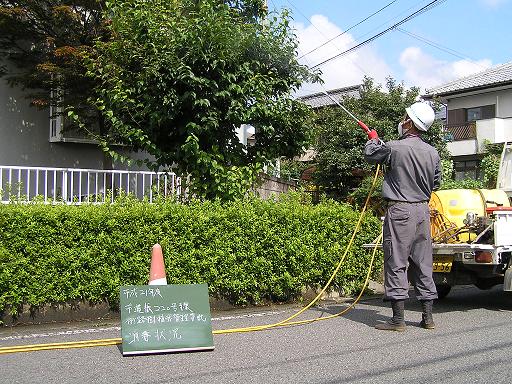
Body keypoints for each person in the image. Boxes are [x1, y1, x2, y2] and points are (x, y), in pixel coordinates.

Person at [363, 101, 441, 331]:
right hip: (422, 211)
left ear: (409, 122)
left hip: (400, 210)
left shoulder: (395, 147)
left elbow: (371, 155)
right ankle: (428, 319)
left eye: (405, 117)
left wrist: (373, 140)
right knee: (423, 262)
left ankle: (398, 321)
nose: (402, 119)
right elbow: (435, 182)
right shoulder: (433, 152)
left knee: (396, 261)